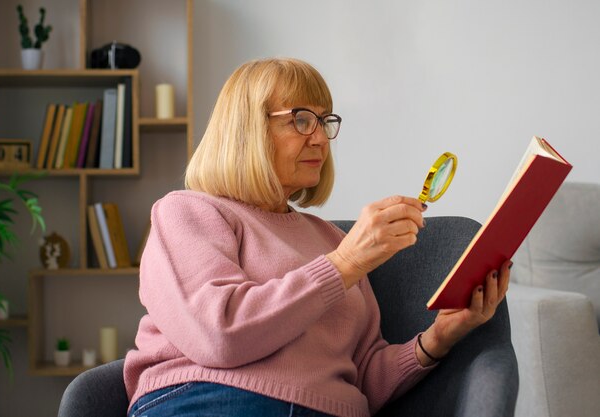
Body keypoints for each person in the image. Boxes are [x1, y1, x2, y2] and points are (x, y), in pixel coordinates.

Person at [123, 57, 511, 417]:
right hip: (213, 398)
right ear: (247, 129)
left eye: (325, 122)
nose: (322, 139)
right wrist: (345, 263)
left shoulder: (327, 237)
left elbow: (360, 378)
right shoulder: (188, 212)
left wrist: (439, 337)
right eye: (302, 120)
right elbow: (219, 334)